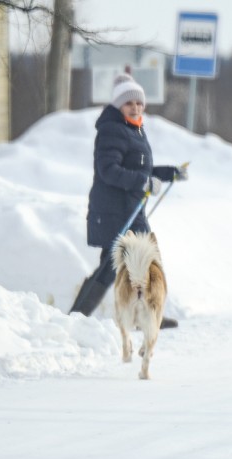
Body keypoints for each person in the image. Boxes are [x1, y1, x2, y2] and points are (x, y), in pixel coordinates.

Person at [69, 73, 187, 328]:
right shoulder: (112, 130)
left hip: (131, 210)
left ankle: (143, 315)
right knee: (116, 268)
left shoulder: (134, 129)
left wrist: (169, 173)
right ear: (118, 105)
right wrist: (142, 183)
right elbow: (108, 170)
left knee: (141, 264)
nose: (135, 107)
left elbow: (141, 168)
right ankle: (76, 317)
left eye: (139, 103)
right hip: (114, 213)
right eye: (128, 103)